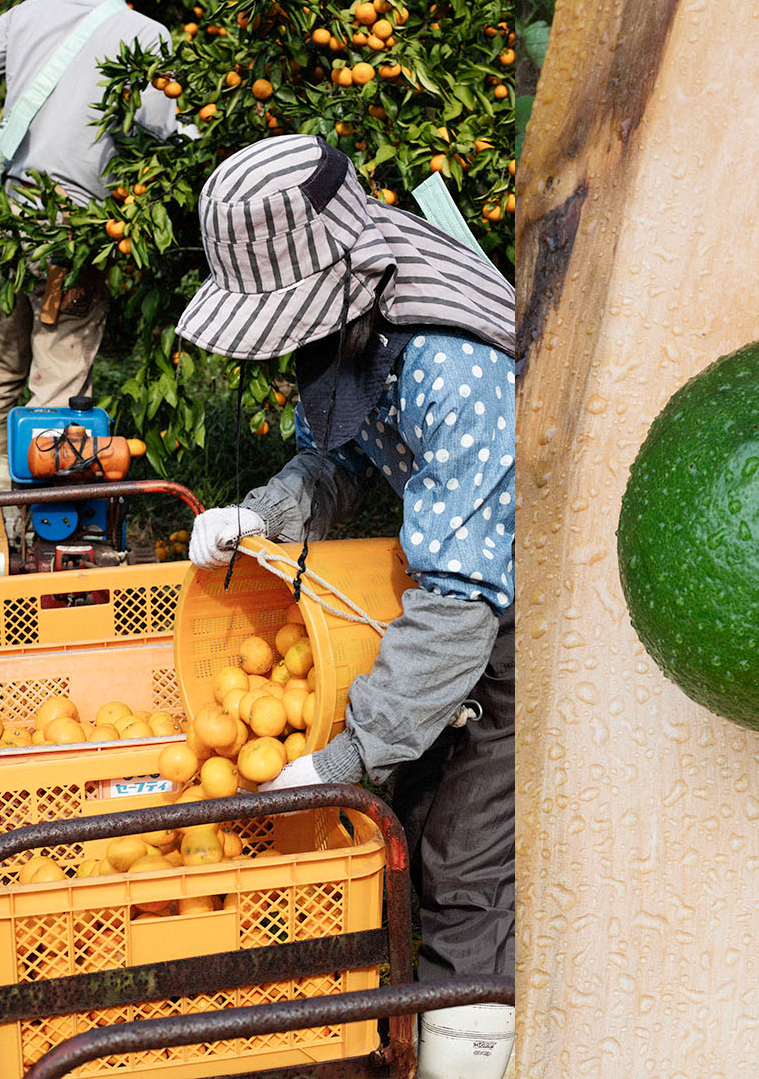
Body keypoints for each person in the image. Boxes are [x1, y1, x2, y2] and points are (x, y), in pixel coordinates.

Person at [176, 134, 520, 1079]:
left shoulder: (454, 362)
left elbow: (461, 606)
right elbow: (349, 457)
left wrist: (342, 758)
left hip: (515, 609)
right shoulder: (363, 328)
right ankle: (397, 1026)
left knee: (464, 857)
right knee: (406, 821)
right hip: (457, 590)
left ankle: (470, 1050)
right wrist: (265, 515)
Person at [0, 0, 181, 491]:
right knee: (60, 383)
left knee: (2, 365)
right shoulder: (149, 36)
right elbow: (166, 133)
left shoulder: (26, 16)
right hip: (76, 233)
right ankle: (30, 524)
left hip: (9, 223)